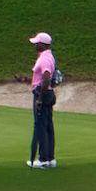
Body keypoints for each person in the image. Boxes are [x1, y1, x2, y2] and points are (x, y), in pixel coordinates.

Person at [26, 30, 58, 170]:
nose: (34, 46)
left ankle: (43, 159)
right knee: (48, 126)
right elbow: (41, 78)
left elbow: (45, 78)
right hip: (47, 93)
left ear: (42, 44)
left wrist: (39, 98)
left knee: (40, 126)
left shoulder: (44, 58)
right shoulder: (48, 56)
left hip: (43, 94)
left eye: (36, 43)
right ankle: (50, 158)